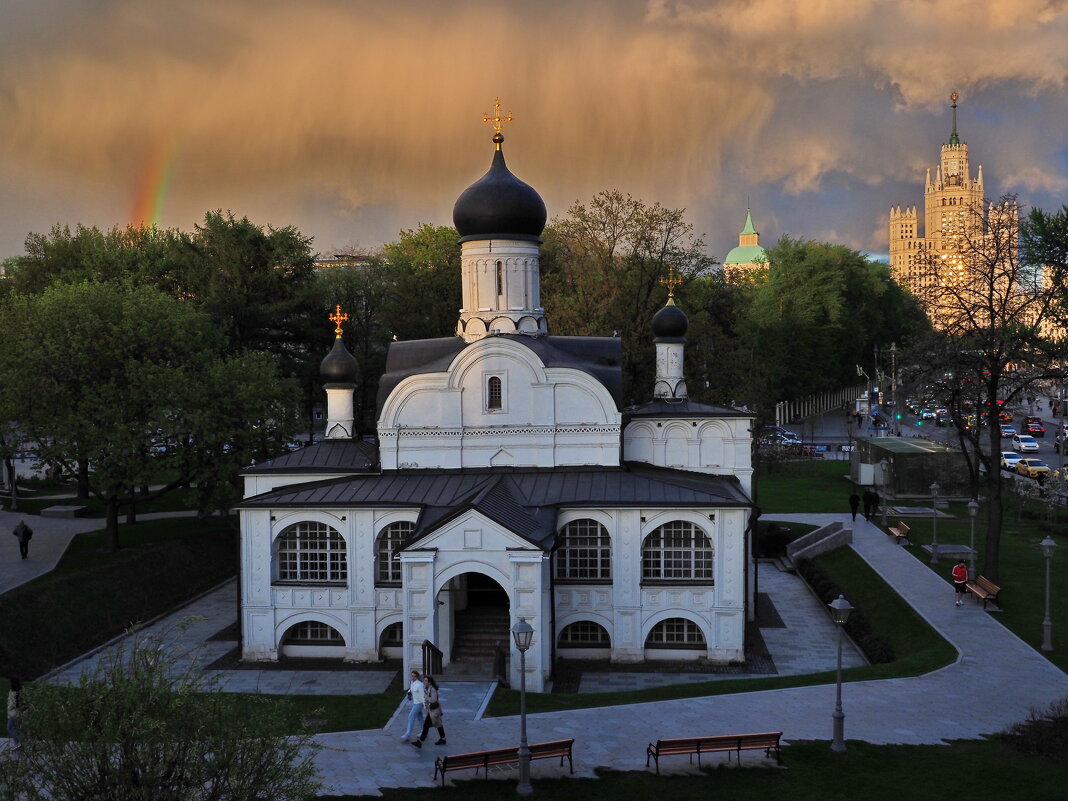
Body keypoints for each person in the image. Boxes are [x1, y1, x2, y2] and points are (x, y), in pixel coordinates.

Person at [413, 675, 446, 747]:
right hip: (432, 711)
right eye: (424, 680)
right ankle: (443, 739)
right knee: (438, 725)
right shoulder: (429, 688)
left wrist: (426, 697)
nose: (424, 682)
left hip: (434, 711)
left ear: (429, 682)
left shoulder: (432, 689)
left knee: (426, 725)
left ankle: (420, 742)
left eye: (426, 681)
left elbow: (434, 700)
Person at [400, 670, 425, 743]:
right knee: (420, 717)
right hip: (415, 702)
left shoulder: (420, 685)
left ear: (417, 676)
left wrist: (425, 707)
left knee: (411, 716)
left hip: (419, 703)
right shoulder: (412, 682)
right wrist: (409, 694)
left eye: (414, 676)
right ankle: (424, 731)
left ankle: (407, 734)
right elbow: (410, 690)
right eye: (412, 676)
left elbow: (423, 696)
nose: (412, 677)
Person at [7, 677, 22, 749]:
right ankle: (20, 742)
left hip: (13, 713)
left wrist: (10, 708)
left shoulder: (13, 692)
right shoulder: (20, 690)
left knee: (9, 728)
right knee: (17, 728)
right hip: (18, 712)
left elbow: (13, 704)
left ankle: (18, 742)